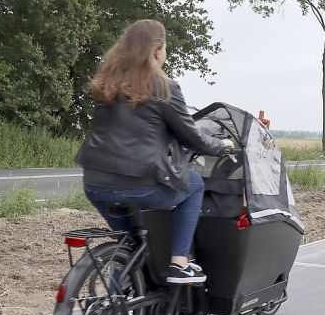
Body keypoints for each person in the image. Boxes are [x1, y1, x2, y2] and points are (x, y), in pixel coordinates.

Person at [75, 19, 233, 285]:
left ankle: (118, 301)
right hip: (139, 183)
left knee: (131, 248)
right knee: (193, 185)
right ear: (157, 51)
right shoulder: (163, 86)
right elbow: (193, 138)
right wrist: (223, 145)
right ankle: (180, 263)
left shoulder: (107, 82)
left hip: (95, 182)